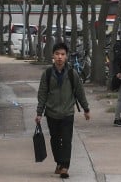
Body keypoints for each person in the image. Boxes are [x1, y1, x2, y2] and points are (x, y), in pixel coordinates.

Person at [36, 41, 90, 179]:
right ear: (53, 56)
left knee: (66, 140)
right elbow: (42, 93)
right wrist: (39, 113)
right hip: (52, 113)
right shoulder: (47, 74)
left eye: (62, 54)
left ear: (66, 57)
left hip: (67, 113)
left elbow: (80, 92)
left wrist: (86, 108)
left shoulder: (72, 74)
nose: (60, 57)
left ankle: (65, 166)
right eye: (57, 54)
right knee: (55, 140)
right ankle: (59, 163)